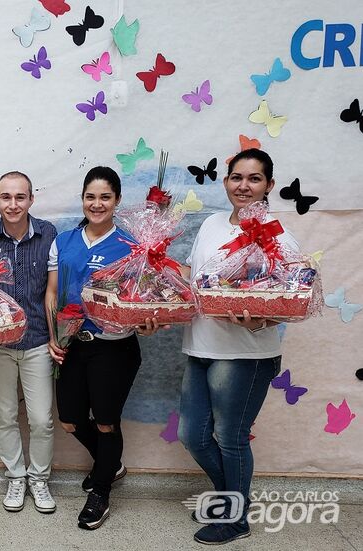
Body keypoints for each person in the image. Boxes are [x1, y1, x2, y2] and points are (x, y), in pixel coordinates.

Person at [178, 149, 295, 545]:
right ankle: (230, 497)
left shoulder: (276, 233)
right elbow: (193, 281)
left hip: (246, 353)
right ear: (225, 181)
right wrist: (151, 270)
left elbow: (293, 296)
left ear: (269, 186)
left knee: (230, 436)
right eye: (236, 177)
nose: (244, 185)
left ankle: (235, 517)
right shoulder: (211, 223)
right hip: (200, 346)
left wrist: (266, 318)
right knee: (193, 435)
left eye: (254, 178)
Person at [46, 166, 159, 530]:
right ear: (82, 199)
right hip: (72, 344)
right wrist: (54, 334)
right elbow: (51, 291)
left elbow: (143, 298)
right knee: (70, 420)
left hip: (114, 349)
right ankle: (109, 465)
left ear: (117, 201)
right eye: (90, 197)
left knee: (107, 423)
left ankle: (102, 491)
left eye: (105, 197)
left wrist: (148, 318)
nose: (97, 204)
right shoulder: (63, 241)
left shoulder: (130, 245)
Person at [0, 171, 58, 514]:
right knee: (5, 414)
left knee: (41, 419)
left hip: (37, 340)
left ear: (31, 200)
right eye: (6, 197)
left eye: (20, 197)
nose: (13, 204)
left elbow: (52, 292)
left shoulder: (49, 234)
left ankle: (39, 478)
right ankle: (16, 477)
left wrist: (54, 337)